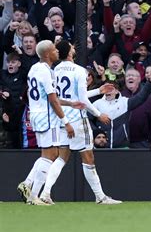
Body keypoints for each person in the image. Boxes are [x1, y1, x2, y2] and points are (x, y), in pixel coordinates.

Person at [38, 41, 121, 205]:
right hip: (77, 119)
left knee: (62, 158)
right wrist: (98, 115)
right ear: (69, 52)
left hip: (62, 118)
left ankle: (45, 193)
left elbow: (70, 97)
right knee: (88, 157)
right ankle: (100, 197)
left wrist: (98, 91)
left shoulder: (55, 70)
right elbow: (81, 100)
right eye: (71, 46)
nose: (74, 47)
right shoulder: (79, 70)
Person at [17, 40, 83, 205]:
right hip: (47, 117)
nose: (57, 52)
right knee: (51, 155)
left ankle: (28, 187)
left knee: (46, 155)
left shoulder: (34, 69)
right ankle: (32, 194)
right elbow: (53, 100)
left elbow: (50, 98)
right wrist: (66, 122)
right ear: (47, 54)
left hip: (36, 114)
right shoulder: (47, 72)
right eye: (54, 49)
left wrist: (70, 103)